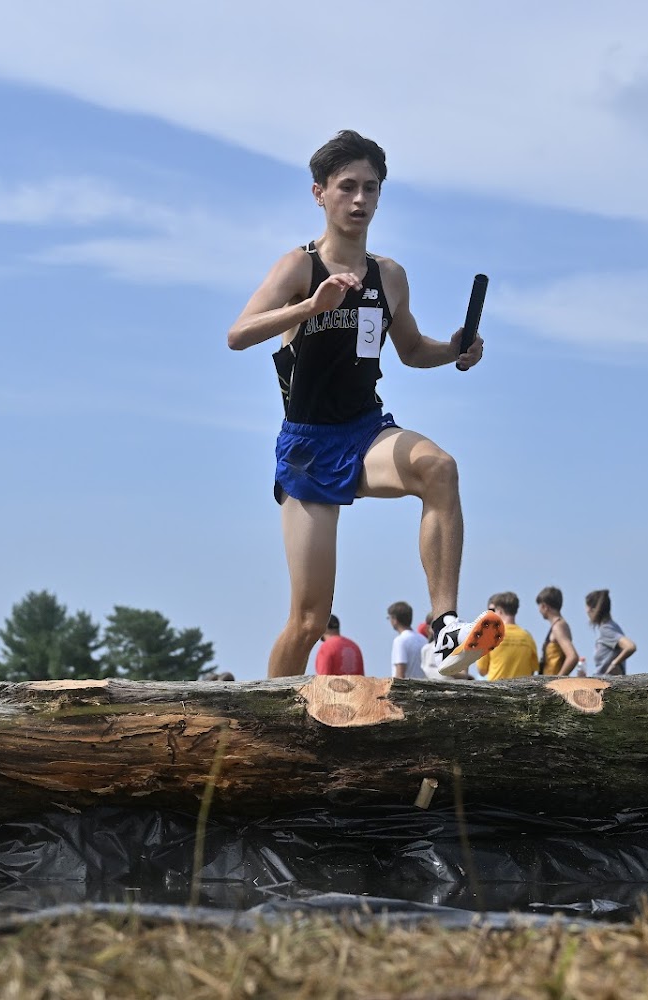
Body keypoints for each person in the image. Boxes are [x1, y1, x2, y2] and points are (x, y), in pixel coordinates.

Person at [227, 129, 501, 679]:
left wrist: (456, 350)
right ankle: (262, 712)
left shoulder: (389, 276)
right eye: (346, 187)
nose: (359, 199)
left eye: (370, 188)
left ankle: (445, 630)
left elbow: (412, 351)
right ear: (319, 194)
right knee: (309, 620)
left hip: (366, 430)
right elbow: (238, 334)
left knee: (439, 468)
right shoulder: (298, 267)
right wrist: (309, 307)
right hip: (308, 448)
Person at [477, 592, 542, 681]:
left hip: (496, 689)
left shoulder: (490, 636)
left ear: (499, 611)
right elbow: (533, 670)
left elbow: (482, 671)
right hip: (521, 689)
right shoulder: (528, 638)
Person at [584, 590, 636, 676]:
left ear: (593, 610)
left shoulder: (606, 629)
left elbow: (630, 646)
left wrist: (614, 663)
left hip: (605, 681)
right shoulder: (613, 626)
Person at [535, 586, 580, 676]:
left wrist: (558, 680)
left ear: (544, 606)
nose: (539, 610)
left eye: (539, 606)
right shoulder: (560, 625)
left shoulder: (558, 626)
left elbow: (572, 656)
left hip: (553, 681)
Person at [387, 600, 429, 679]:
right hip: (423, 684)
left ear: (394, 619)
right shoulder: (423, 639)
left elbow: (400, 674)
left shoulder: (400, 641)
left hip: (407, 685)